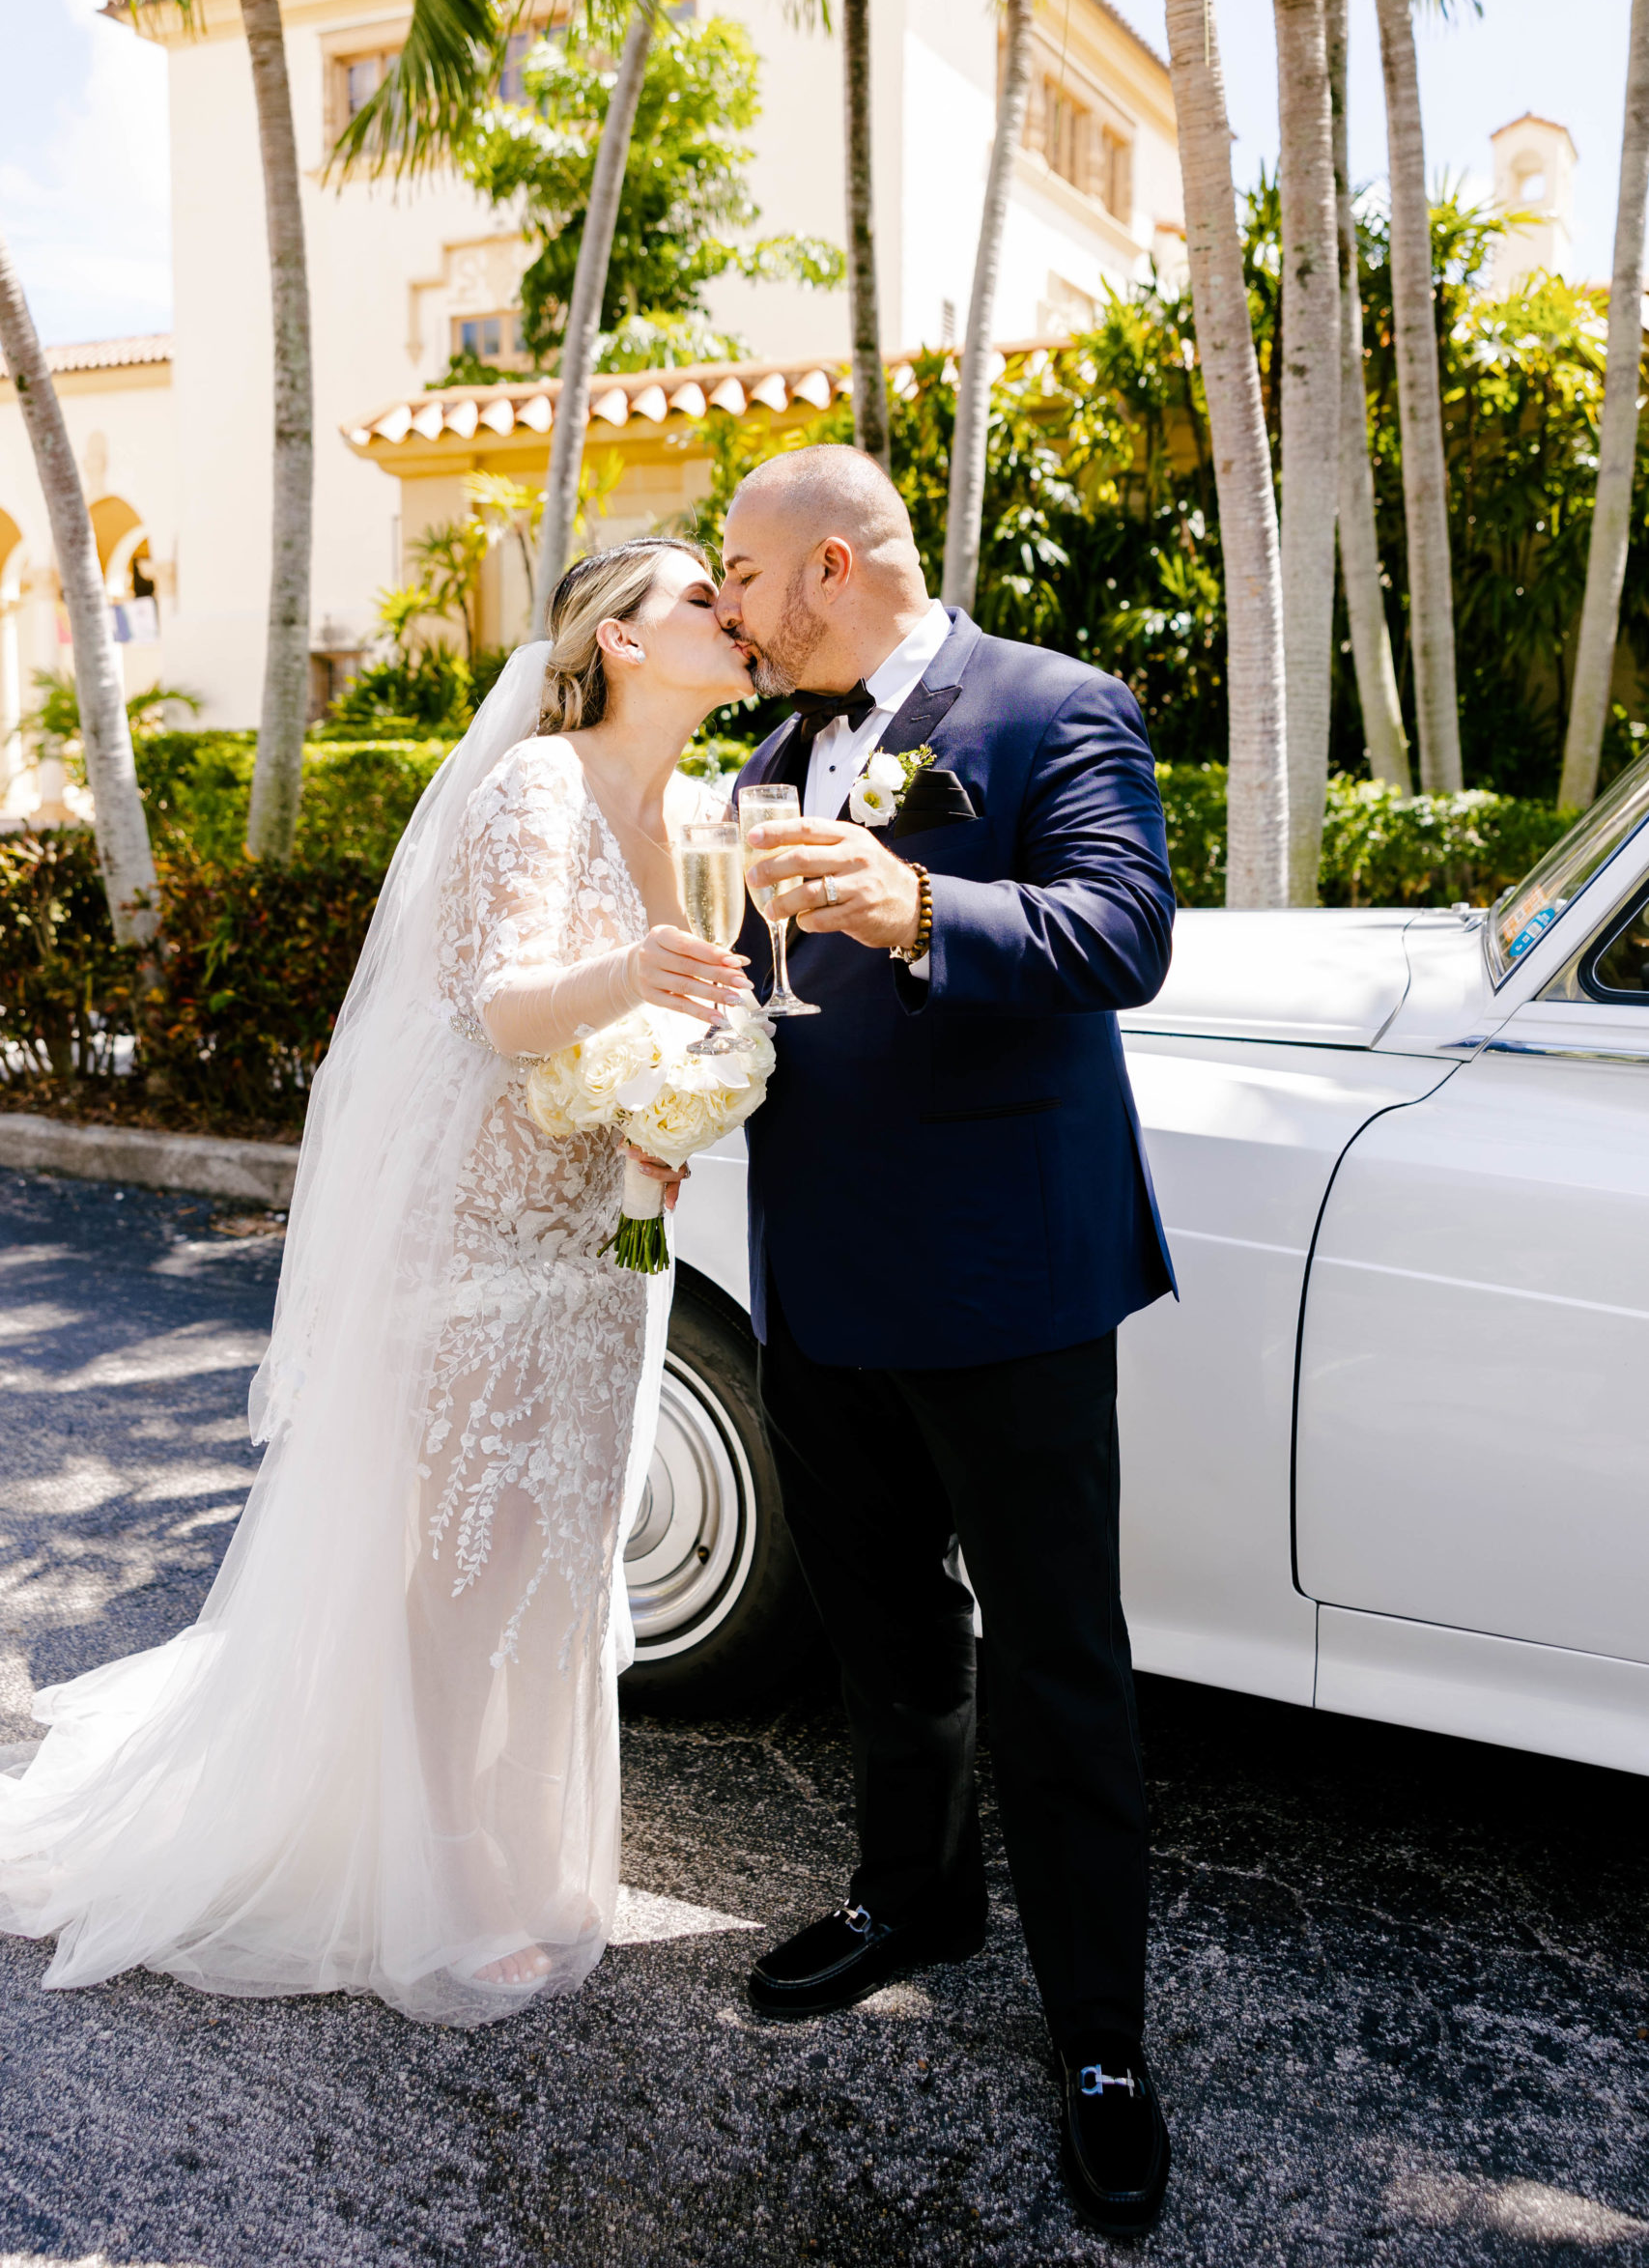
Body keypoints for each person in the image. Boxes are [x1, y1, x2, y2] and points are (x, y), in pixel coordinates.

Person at [0, 538, 753, 2027]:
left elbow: (675, 1025)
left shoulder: (694, 811)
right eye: (697, 600)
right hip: (478, 1247)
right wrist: (643, 982)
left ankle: (520, 1828)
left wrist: (678, 1110)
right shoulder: (537, 786)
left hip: (603, 1248)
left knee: (563, 1554)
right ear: (612, 641)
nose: (732, 618)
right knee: (459, 1569)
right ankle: (447, 1864)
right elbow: (501, 1003)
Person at [718, 446, 1178, 2239]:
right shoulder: (767, 757)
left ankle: (1101, 2043)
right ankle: (914, 1898)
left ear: (831, 568)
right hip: (823, 1281)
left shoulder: (1059, 710)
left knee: (1059, 1661)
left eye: (747, 587)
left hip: (1008, 1286)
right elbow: (774, 999)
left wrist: (917, 908)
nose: (735, 622)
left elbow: (1123, 936)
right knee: (883, 1625)